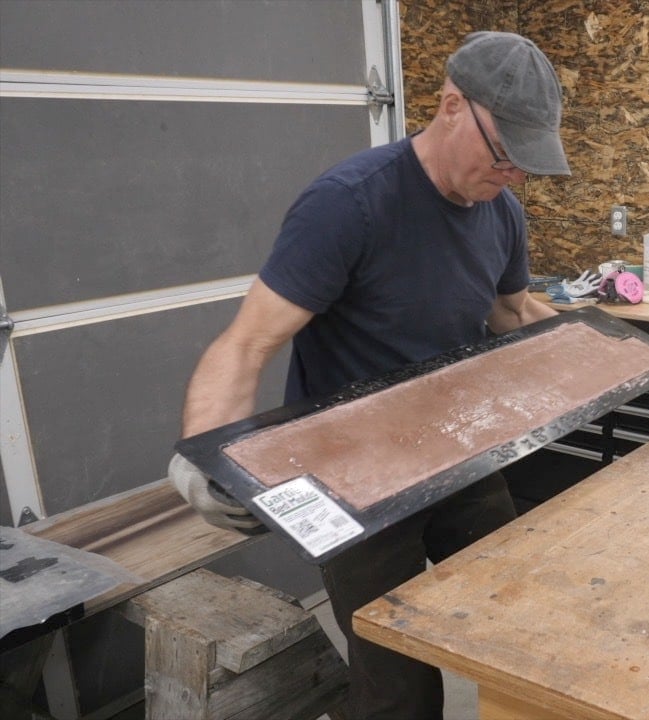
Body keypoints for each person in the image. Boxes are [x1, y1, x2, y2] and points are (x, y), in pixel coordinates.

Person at [167, 31, 569, 719]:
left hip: (458, 449)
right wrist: (203, 453)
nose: (514, 177)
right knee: (395, 683)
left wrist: (592, 350)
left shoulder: (502, 211)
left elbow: (510, 311)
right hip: (352, 476)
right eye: (504, 155)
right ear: (450, 106)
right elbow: (246, 343)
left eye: (526, 166)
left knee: (517, 608)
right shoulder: (350, 204)